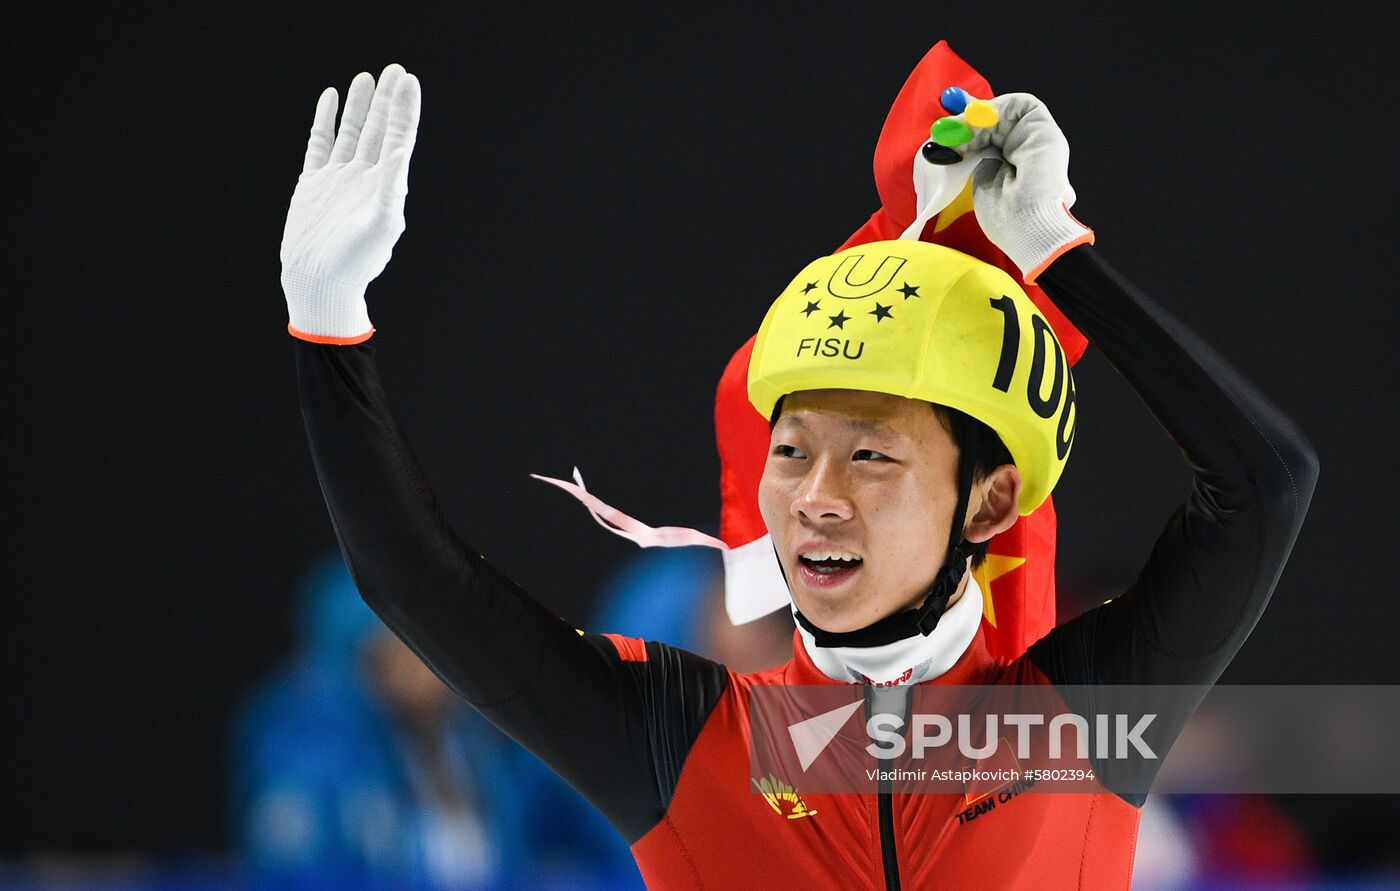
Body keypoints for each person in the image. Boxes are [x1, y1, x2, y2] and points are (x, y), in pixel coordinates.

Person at [278, 61, 1318, 888]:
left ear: (987, 500)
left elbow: (1264, 485)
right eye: (790, 451)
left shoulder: (1081, 715)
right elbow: (411, 583)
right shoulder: (677, 736)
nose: (816, 494)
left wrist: (1056, 254)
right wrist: (327, 327)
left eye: (869, 455)